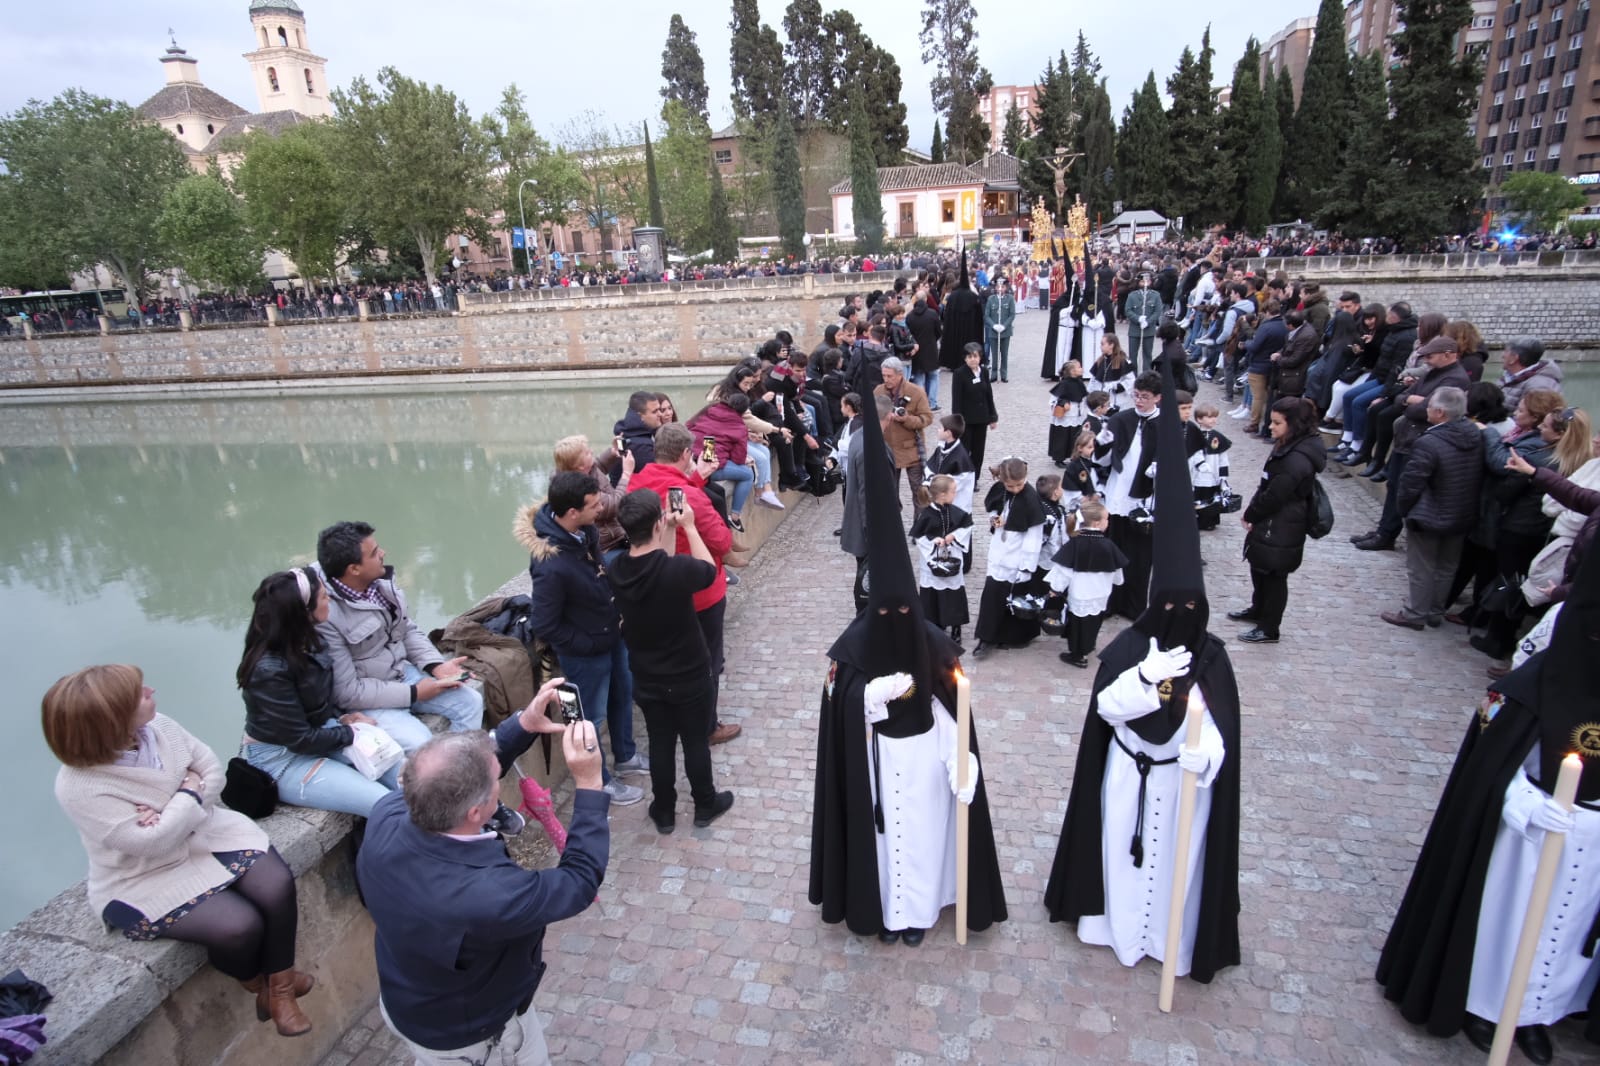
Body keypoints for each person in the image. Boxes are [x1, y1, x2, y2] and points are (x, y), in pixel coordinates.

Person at [1044, 357, 1241, 984]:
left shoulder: (1212, 658)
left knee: (1176, 870)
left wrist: (1204, 754)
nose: (1182, 617)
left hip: (1184, 788)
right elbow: (1107, 710)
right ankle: (1111, 927)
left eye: (1191, 610)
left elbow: (1220, 729)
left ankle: (1171, 942)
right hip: (1129, 776)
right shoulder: (1130, 649)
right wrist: (1147, 678)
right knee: (1119, 861)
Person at [1376, 547, 1600, 1066]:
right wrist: (1524, 803)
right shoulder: (1526, 691)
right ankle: (1491, 1005)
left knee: (1567, 932)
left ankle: (1543, 1011)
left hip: (1590, 842)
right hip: (1527, 839)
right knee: (1514, 924)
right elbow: (1487, 774)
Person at [808, 398, 1007, 944]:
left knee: (920, 839)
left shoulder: (936, 646)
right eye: (886, 614)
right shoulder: (851, 648)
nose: (897, 624)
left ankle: (917, 914)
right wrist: (865, 700)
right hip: (872, 760)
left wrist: (962, 759)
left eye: (905, 614)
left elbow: (953, 705)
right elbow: (837, 709)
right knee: (880, 840)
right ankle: (880, 912)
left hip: (924, 760)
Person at [45, 665, 314, 1036]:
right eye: (140, 694)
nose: (152, 691)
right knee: (238, 927)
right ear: (112, 718)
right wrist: (187, 792)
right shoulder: (80, 786)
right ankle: (262, 987)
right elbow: (151, 843)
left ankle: (281, 992)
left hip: (209, 833)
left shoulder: (161, 728)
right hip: (143, 873)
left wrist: (170, 811)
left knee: (276, 885)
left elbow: (213, 772)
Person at [360, 696, 609, 1065]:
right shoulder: (490, 894)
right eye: (496, 783)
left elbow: (462, 775)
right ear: (476, 812)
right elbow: (579, 882)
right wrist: (589, 782)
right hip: (470, 1036)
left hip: (409, 1003)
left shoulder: (388, 814)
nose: (499, 780)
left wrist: (522, 724)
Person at [514, 471, 645, 805]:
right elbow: (545, 623)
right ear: (572, 512)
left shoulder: (583, 532)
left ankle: (626, 755)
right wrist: (586, 643)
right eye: (594, 504)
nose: (601, 508)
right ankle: (598, 782)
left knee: (622, 694)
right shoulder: (550, 564)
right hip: (584, 655)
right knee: (587, 718)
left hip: (610, 636)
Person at [607, 490, 735, 832]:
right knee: (694, 741)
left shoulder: (618, 568)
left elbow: (651, 561)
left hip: (646, 675)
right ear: (660, 521)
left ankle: (663, 810)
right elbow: (708, 570)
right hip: (689, 673)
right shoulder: (676, 570)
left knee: (660, 742)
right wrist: (689, 527)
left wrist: (662, 528)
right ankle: (705, 803)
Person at [240, 567, 399, 817]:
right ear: (303, 612)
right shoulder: (268, 671)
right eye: (325, 597)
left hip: (322, 731)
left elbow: (316, 699)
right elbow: (300, 739)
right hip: (282, 757)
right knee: (385, 805)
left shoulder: (311, 641)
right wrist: (348, 732)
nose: (331, 601)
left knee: (409, 779)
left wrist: (344, 716)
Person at [314, 521, 484, 755]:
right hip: (369, 698)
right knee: (420, 743)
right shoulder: (325, 614)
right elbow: (347, 692)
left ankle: (461, 773)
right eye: (374, 553)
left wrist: (435, 665)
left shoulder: (381, 582)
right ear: (354, 569)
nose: (383, 554)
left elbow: (407, 629)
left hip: (404, 673)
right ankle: (445, 783)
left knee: (471, 702)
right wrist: (413, 694)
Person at [627, 422, 742, 746]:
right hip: (699, 594)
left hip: (657, 592)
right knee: (707, 661)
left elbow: (670, 488)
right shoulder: (690, 496)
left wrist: (696, 478)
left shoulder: (640, 482)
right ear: (684, 453)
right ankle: (707, 726)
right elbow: (720, 540)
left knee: (673, 660)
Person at [1379, 387, 1485, 630]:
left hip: (1430, 513)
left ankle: (1415, 613)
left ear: (1439, 412)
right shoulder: (1475, 435)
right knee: (1447, 565)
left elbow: (1411, 482)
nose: (1425, 409)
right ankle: (1436, 610)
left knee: (1422, 566)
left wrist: (1405, 508)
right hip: (1462, 512)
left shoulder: (1429, 442)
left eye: (1429, 407)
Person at [1231, 397, 1327, 644]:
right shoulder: (1290, 446)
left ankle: (1269, 627)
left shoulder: (1297, 459)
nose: (1271, 427)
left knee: (1274, 575)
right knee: (1260, 567)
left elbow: (1275, 494)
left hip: (1282, 522)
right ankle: (1259, 610)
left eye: (1276, 423)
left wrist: (1252, 514)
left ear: (1293, 424)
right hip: (1274, 520)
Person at [1098, 372, 1164, 619]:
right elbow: (1103, 458)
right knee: (1114, 548)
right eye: (1136, 395)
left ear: (1157, 398)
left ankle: (1134, 606)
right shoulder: (1121, 418)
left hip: (1144, 497)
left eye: (1145, 397)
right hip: (1118, 490)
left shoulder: (1165, 425)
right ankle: (1112, 602)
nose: (1138, 401)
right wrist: (1102, 443)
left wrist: (1160, 466)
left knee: (1140, 555)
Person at [971, 457, 1047, 658]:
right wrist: (994, 518)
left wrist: (1025, 567)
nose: (1014, 489)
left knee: (1014, 598)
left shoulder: (1031, 499)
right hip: (1000, 551)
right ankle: (986, 637)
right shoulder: (1001, 489)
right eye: (1010, 486)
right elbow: (995, 507)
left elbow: (1034, 538)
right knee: (992, 594)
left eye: (1019, 485)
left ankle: (1013, 637)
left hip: (1018, 557)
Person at [1044, 498, 1126, 668]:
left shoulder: (1075, 544)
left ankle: (1078, 655)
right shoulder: (1109, 545)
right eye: (1106, 519)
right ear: (1097, 523)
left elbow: (1063, 572)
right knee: (1094, 622)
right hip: (1101, 594)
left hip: (1080, 593)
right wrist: (1117, 581)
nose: (1108, 522)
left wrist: (1055, 589)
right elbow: (1118, 573)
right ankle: (1089, 645)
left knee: (1078, 626)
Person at [911, 474, 973, 641]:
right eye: (953, 491)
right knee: (932, 594)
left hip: (952, 556)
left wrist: (954, 536)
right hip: (932, 560)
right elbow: (919, 536)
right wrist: (934, 541)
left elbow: (967, 527)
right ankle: (934, 624)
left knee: (954, 593)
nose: (956, 493)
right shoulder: (926, 514)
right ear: (942, 494)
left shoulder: (958, 513)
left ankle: (956, 627)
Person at [875, 356, 934, 507]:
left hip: (912, 450)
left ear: (900, 374)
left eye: (890, 376)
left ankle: (920, 528)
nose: (886, 379)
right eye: (884, 375)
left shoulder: (916, 392)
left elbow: (927, 418)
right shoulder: (878, 391)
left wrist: (906, 419)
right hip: (887, 450)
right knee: (889, 493)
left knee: (918, 493)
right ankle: (893, 527)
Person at [950, 343, 997, 473]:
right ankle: (965, 475)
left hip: (981, 419)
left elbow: (989, 395)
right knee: (965, 450)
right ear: (965, 358)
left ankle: (975, 477)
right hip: (966, 420)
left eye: (975, 356)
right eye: (969, 356)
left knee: (978, 451)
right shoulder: (959, 374)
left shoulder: (984, 372)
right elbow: (956, 399)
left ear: (980, 357)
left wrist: (993, 417)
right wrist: (957, 421)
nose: (973, 359)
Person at [609, 391, 663, 483]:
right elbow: (657, 480)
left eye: (659, 410)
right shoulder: (641, 446)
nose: (660, 414)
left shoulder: (626, 435)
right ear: (640, 417)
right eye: (654, 412)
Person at [1124, 273, 1165, 372]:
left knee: (1147, 355)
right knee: (1132, 355)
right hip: (1134, 330)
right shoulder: (1132, 295)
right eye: (1143, 281)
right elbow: (1128, 310)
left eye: (1147, 281)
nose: (1145, 283)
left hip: (1148, 330)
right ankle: (1132, 377)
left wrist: (1148, 321)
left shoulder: (1155, 295)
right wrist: (1138, 318)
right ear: (1139, 282)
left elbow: (1158, 311)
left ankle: (1146, 376)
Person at [984, 276, 1017, 383]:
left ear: (1006, 287)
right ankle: (993, 374)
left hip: (1005, 331)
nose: (1000, 289)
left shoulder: (1010, 299)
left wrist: (1004, 326)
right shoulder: (991, 299)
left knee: (1004, 353)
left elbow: (1012, 315)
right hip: (993, 331)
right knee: (994, 354)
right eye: (998, 286)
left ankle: (1004, 374)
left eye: (1002, 287)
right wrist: (993, 325)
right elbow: (986, 316)